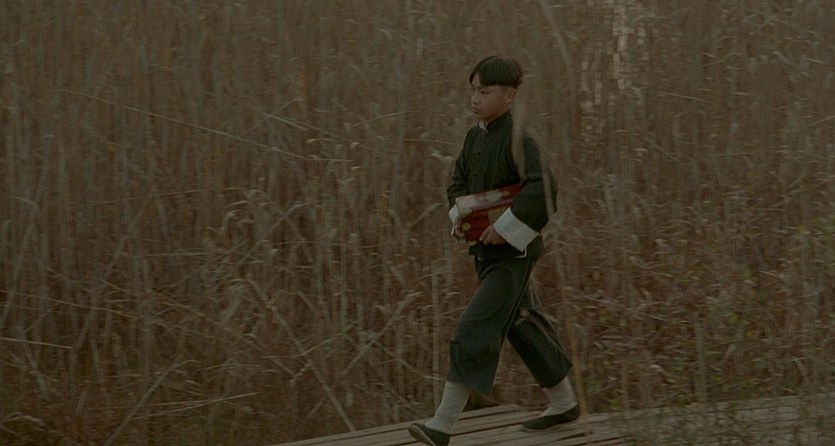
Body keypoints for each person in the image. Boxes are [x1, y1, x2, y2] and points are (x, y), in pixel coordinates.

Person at [408, 56, 578, 446]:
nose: (475, 99)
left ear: (509, 96)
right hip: (485, 253)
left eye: (484, 92)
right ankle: (564, 402)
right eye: (473, 91)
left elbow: (545, 189)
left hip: (515, 255)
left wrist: (505, 229)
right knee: (523, 323)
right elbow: (457, 185)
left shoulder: (520, 138)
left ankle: (442, 425)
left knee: (474, 328)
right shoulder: (474, 138)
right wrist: (461, 216)